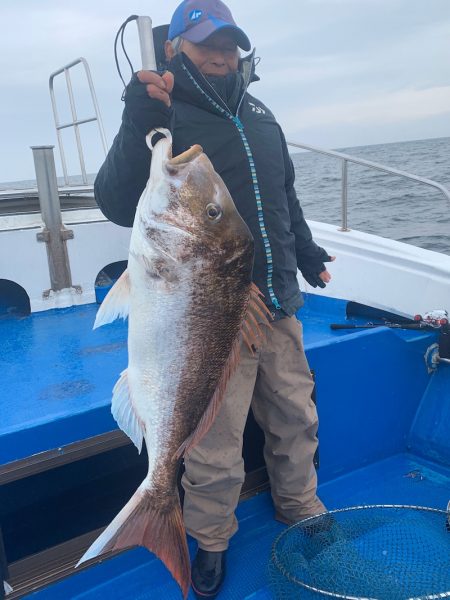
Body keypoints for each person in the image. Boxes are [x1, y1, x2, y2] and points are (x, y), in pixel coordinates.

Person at [94, 1, 335, 597]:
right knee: (213, 446)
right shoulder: (164, 116)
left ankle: (301, 508)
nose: (222, 56)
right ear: (175, 48)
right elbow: (119, 199)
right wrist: (137, 120)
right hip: (213, 315)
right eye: (207, 44)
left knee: (296, 417)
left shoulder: (259, 114)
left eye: (230, 45)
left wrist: (305, 252)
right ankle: (211, 541)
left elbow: (284, 197)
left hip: (277, 303)